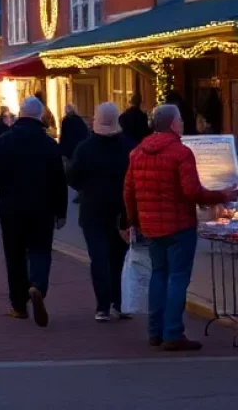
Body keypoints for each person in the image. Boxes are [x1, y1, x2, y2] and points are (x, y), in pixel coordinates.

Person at [124, 103, 237, 351]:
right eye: (181, 120)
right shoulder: (180, 153)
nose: (183, 124)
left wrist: (133, 221)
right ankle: (173, 332)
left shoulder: (138, 153)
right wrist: (223, 194)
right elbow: (191, 191)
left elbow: (129, 190)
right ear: (174, 124)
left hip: (151, 226)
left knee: (158, 274)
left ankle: (155, 331)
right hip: (179, 226)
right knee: (177, 278)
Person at [0, 95, 67, 327]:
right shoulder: (49, 144)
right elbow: (60, 180)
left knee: (15, 254)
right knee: (40, 249)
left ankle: (19, 305)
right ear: (40, 116)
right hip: (43, 207)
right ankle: (37, 285)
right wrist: (61, 211)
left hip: (11, 208)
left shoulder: (4, 141)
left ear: (19, 113)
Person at [66, 103, 132, 321]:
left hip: (93, 209)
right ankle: (118, 302)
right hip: (121, 211)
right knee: (118, 258)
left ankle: (102, 306)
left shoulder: (85, 148)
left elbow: (72, 176)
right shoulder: (128, 147)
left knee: (99, 258)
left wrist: (86, 188)